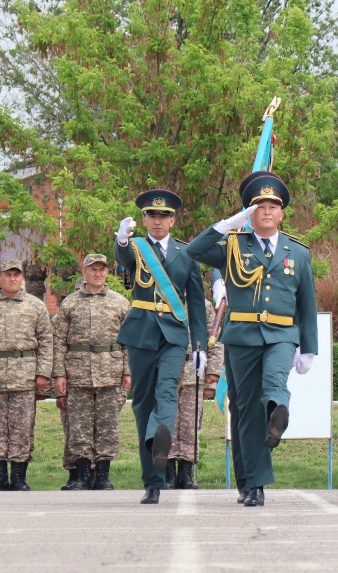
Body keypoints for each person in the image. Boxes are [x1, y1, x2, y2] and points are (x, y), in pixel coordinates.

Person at [187, 170, 318, 507]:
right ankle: (251, 484)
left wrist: (309, 348)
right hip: (243, 335)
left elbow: (306, 302)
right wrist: (227, 224)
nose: (267, 211)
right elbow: (194, 252)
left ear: (282, 212)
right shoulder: (233, 245)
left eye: (273, 205)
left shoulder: (298, 252)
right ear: (250, 212)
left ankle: (278, 410)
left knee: (274, 384)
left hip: (281, 335)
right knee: (245, 411)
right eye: (259, 206)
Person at [115, 189, 207, 504]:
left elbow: (196, 303)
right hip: (141, 333)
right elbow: (124, 260)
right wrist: (123, 241)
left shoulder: (186, 253)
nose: (157, 221)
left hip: (172, 334)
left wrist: (200, 346)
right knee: (142, 403)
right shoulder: (138, 249)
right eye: (152, 216)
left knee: (167, 390)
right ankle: (152, 482)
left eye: (164, 216)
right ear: (144, 219)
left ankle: (159, 438)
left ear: (173, 220)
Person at [0, 259, 54, 492]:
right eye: (8, 274)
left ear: (22, 277)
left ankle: (18, 477)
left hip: (25, 375)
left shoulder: (35, 306)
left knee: (22, 428)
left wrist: (43, 372)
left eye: (17, 274)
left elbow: (46, 341)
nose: (13, 278)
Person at [52, 254, 131, 491]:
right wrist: (60, 374)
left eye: (102, 270)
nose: (98, 274)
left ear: (107, 273)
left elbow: (130, 341)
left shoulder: (120, 303)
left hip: (110, 371)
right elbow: (59, 341)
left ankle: (103, 475)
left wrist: (128, 371)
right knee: (79, 426)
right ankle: (83, 474)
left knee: (108, 426)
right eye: (93, 269)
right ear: (84, 272)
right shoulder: (70, 303)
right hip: (78, 372)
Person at [165, 270, 225, 490]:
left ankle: (186, 474)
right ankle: (168, 473)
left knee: (190, 425)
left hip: (194, 372)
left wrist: (212, 377)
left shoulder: (205, 306)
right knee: (168, 422)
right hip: (168, 371)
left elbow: (215, 341)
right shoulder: (164, 302)